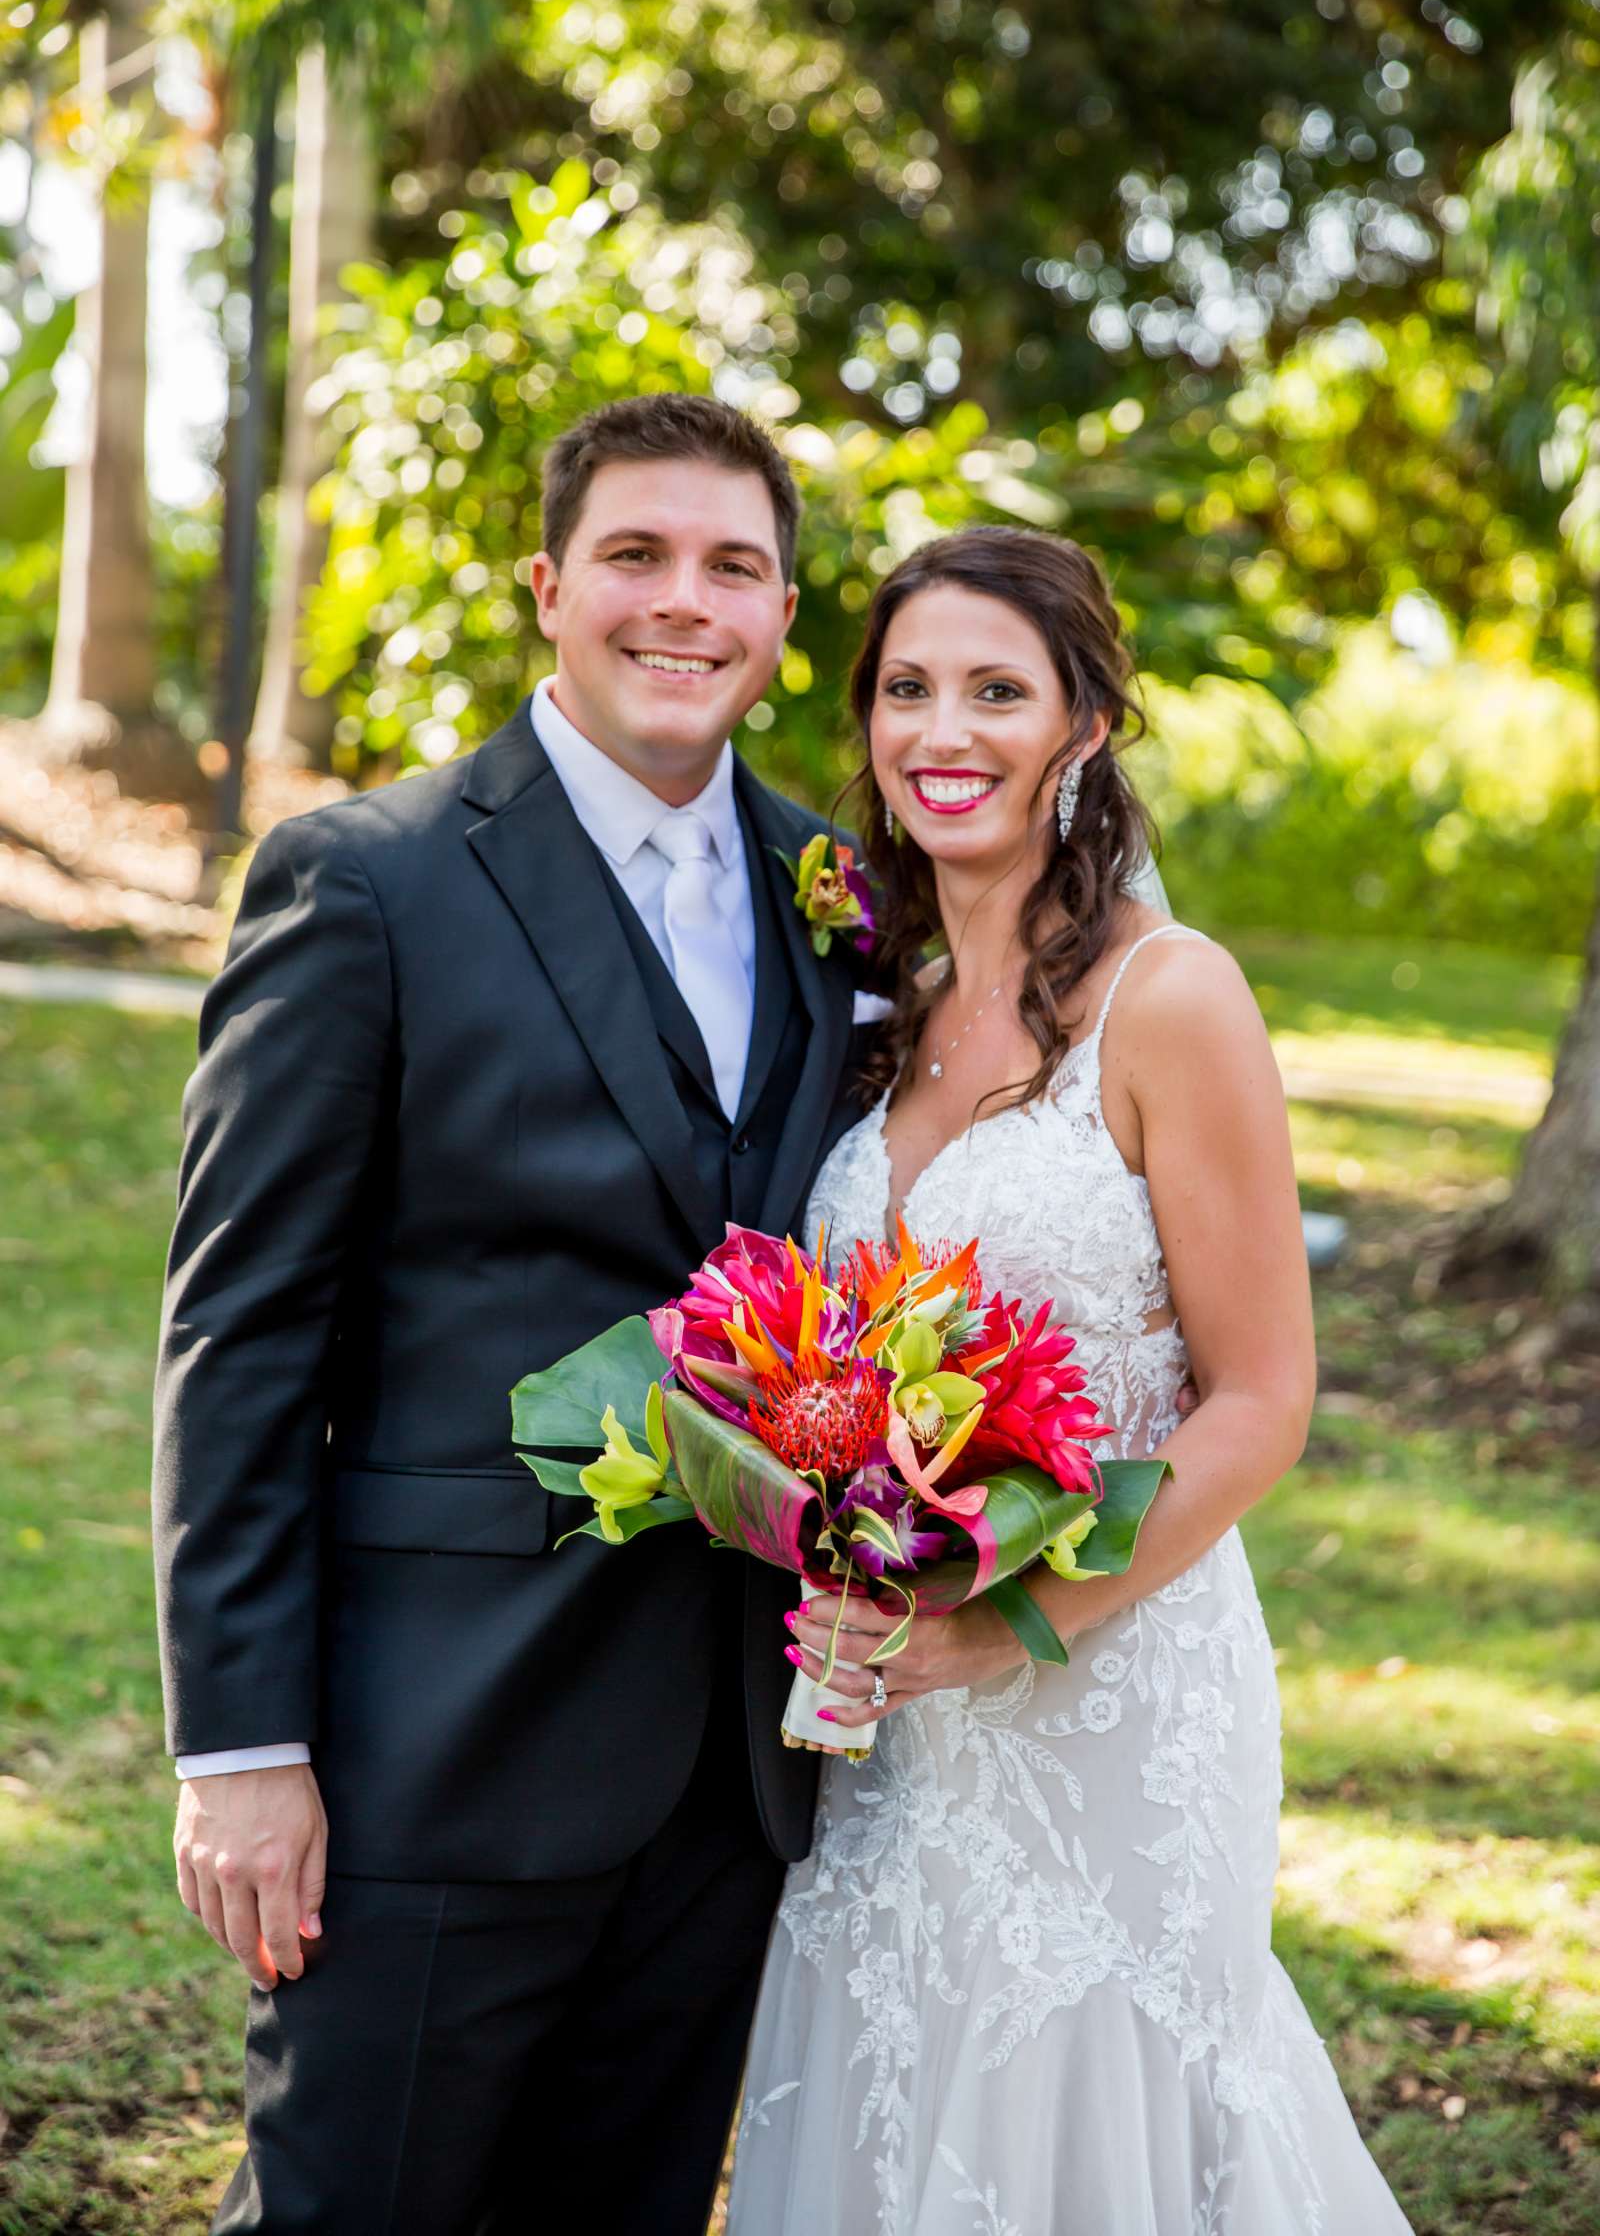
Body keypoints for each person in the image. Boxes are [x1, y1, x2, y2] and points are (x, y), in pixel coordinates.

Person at [152, 395, 875, 2234]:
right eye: (635, 555)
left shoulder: (841, 905)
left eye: (733, 567)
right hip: (433, 1754)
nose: (682, 604)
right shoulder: (367, 881)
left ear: (784, 619)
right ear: (551, 588)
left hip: (734, 1768)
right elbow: (241, 1337)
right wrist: (242, 1756)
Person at [726, 526, 1414, 2234]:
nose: (940, 731)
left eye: (995, 691)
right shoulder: (874, 1000)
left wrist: (1007, 1624)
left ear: (1084, 726)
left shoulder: (1170, 1001)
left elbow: (1259, 1399)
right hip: (889, 1710)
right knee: (892, 2074)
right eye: (905, 689)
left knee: (1098, 2103)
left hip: (1109, 1687)